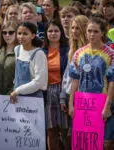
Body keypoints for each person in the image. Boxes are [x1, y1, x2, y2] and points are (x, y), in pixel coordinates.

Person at [68, 16, 114, 150]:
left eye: (95, 31)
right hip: (84, 105)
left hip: (103, 103)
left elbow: (112, 81)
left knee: (105, 143)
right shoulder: (78, 53)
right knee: (86, 142)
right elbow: (75, 79)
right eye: (89, 31)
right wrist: (71, 104)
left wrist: (107, 106)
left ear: (102, 33)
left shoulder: (110, 54)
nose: (92, 34)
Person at [60, 15, 89, 150]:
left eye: (78, 28)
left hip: (87, 99)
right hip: (70, 96)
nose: (74, 31)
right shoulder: (72, 48)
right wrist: (64, 97)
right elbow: (68, 77)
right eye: (72, 28)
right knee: (70, 134)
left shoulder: (91, 50)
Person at [43, 19, 69, 150]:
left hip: (63, 91)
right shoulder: (41, 51)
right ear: (46, 33)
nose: (53, 33)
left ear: (61, 32)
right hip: (47, 93)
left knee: (65, 130)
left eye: (56, 31)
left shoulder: (67, 49)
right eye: (50, 31)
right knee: (51, 130)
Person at [10, 21, 48, 101]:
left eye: (25, 34)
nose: (21, 36)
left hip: (34, 97)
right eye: (19, 33)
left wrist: (18, 90)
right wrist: (15, 90)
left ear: (33, 35)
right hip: (17, 96)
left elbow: (39, 81)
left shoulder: (38, 54)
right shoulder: (17, 49)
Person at [0, 21, 17, 95]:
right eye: (4, 32)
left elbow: (21, 78)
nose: (7, 35)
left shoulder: (21, 52)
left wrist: (11, 93)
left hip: (14, 96)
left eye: (11, 32)